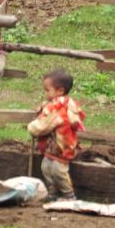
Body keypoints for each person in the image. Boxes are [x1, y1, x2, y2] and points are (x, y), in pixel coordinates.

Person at [26, 68, 85, 199]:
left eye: (48, 90)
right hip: (54, 147)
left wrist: (31, 127)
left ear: (60, 91)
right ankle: (53, 192)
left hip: (61, 147)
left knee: (59, 171)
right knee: (46, 167)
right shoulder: (67, 104)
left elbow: (43, 125)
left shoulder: (56, 107)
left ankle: (69, 195)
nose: (46, 93)